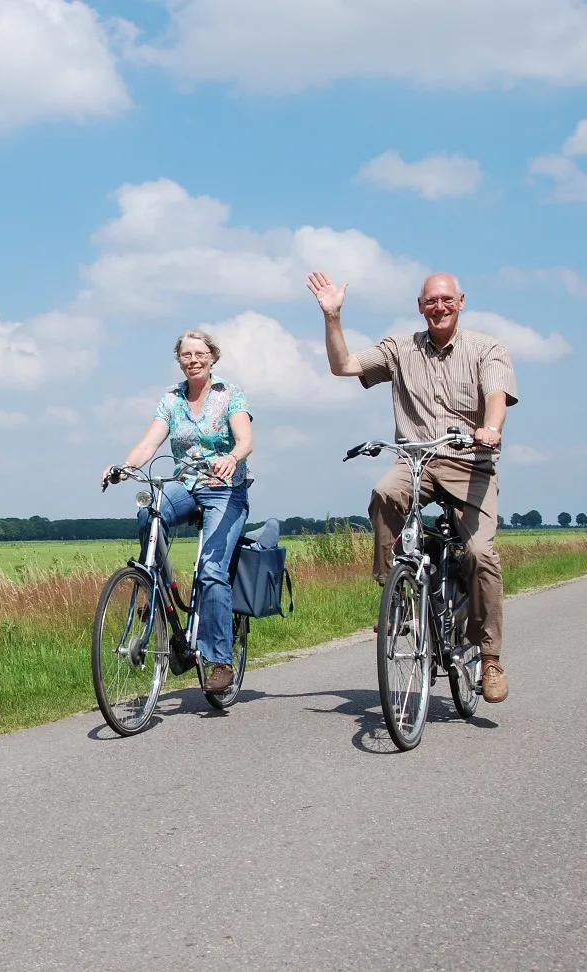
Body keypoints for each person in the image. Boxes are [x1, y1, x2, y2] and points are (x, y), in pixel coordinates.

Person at [306, 271, 516, 703]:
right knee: (384, 493)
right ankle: (395, 590)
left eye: (446, 300)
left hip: (469, 464)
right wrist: (332, 317)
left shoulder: (487, 348)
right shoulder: (400, 348)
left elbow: (496, 394)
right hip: (416, 461)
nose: (439, 307)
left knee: (479, 554)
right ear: (420, 306)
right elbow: (343, 366)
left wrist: (490, 429)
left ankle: (490, 656)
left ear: (460, 301)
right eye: (430, 301)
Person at [101, 329, 254, 693]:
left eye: (200, 354)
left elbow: (246, 440)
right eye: (186, 355)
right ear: (179, 360)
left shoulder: (230, 395)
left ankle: (220, 661)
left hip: (224, 489)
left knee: (211, 571)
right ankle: (155, 589)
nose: (193, 360)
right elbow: (149, 443)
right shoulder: (171, 400)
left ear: (212, 357)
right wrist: (123, 466)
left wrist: (232, 458)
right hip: (185, 484)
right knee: (149, 513)